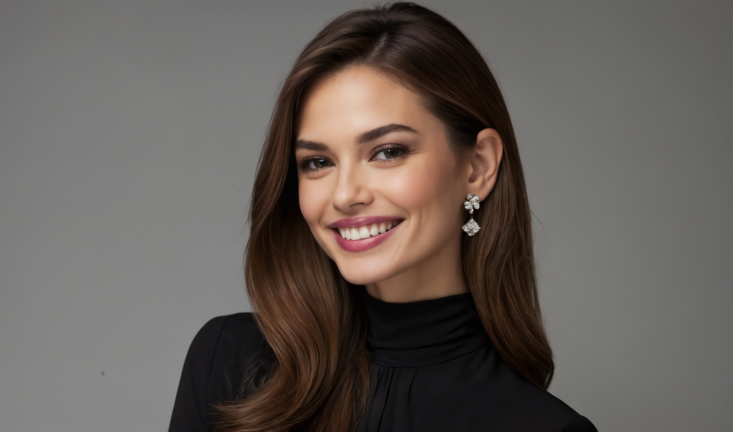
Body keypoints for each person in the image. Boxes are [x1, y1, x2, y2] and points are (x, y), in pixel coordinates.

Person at [168, 2, 597, 431]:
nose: (345, 194)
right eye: (318, 162)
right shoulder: (227, 363)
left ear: (478, 167)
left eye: (388, 152)